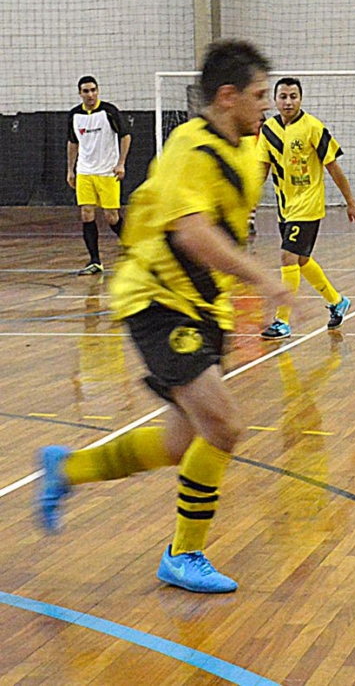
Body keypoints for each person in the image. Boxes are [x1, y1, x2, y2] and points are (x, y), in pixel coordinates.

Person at [38, 39, 291, 593]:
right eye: (258, 95)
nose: (267, 105)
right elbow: (192, 232)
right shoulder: (187, 149)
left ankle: (67, 469)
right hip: (155, 299)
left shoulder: (248, 148)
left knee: (182, 443)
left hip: (203, 305)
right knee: (224, 425)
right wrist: (262, 277)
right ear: (226, 97)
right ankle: (183, 554)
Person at [257, 77, 355, 340]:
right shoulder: (268, 130)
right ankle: (337, 301)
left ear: (301, 99)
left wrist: (351, 202)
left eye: (293, 96)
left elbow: (333, 167)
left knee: (287, 257)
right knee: (301, 260)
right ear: (275, 100)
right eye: (283, 96)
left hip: (308, 206)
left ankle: (282, 321)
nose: (288, 101)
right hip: (285, 207)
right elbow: (261, 169)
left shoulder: (313, 127)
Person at [67, 76, 130, 275]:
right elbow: (73, 142)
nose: (90, 94)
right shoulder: (75, 115)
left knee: (111, 217)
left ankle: (132, 245)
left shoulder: (109, 111)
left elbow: (125, 135)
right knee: (86, 213)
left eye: (93, 90)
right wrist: (70, 169)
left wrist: (121, 163)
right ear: (80, 93)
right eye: (86, 91)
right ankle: (95, 260)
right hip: (85, 171)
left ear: (98, 91)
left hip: (107, 172)